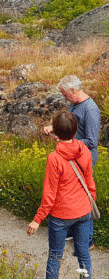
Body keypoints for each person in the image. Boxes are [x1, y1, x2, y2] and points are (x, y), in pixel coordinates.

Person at [28, 111, 96, 279]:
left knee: (55, 255)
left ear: (55, 131)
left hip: (61, 214)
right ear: (76, 129)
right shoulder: (84, 149)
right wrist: (89, 203)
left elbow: (50, 194)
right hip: (83, 210)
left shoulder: (54, 158)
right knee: (83, 254)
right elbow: (89, 182)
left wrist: (38, 219)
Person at [44, 75, 100, 247]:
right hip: (70, 155)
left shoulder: (90, 109)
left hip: (83, 158)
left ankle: (87, 240)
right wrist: (55, 128)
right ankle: (70, 229)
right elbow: (69, 123)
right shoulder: (74, 104)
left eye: (65, 94)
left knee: (83, 197)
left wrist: (66, 141)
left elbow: (91, 141)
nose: (64, 97)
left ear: (73, 90)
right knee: (68, 192)